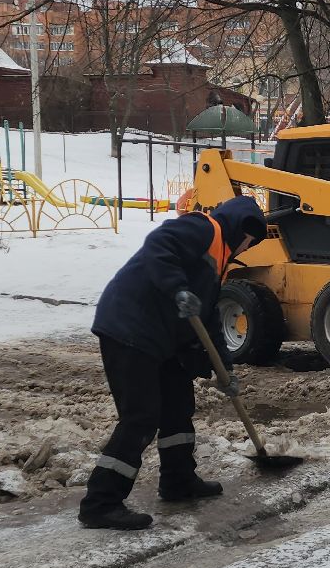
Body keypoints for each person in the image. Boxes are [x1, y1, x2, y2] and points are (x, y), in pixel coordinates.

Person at [79, 195, 268, 531]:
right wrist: (177, 288)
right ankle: (101, 502)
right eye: (249, 237)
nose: (248, 245)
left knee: (178, 406)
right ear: (239, 226)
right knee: (141, 417)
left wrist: (226, 370)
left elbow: (207, 321)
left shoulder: (220, 262)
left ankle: (178, 481)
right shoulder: (202, 228)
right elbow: (159, 244)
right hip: (130, 328)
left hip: (162, 341)